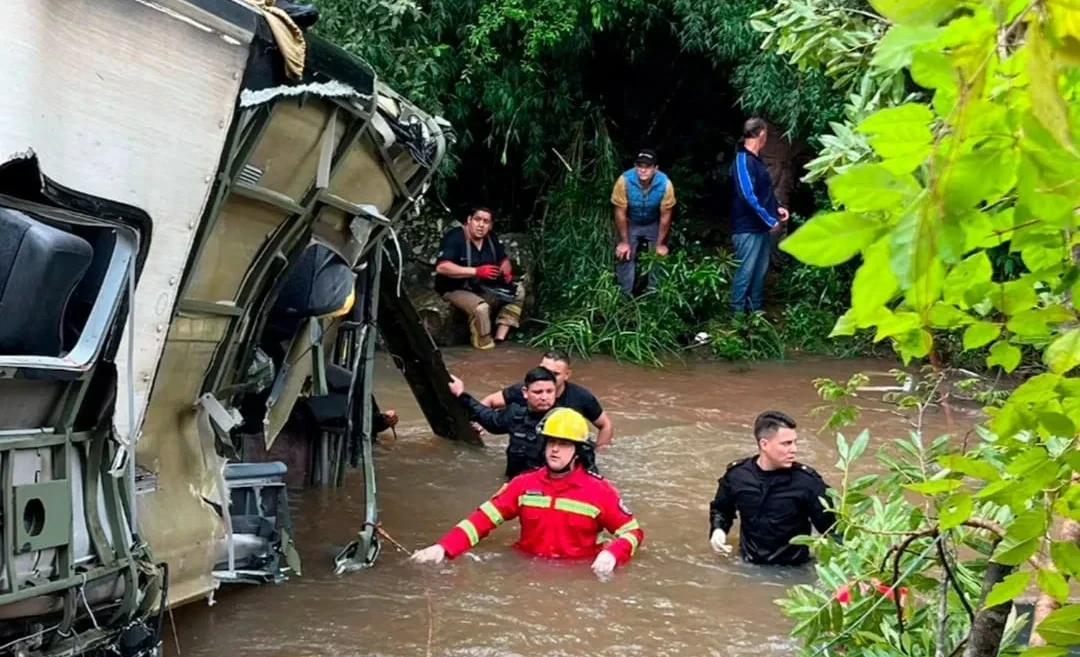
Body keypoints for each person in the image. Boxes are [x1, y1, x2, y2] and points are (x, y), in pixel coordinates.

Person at [410, 408, 643, 577]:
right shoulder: (523, 484)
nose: (554, 449)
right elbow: (481, 520)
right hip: (526, 571)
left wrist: (612, 554)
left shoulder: (600, 491)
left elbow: (633, 532)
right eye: (551, 442)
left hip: (577, 576)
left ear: (578, 451)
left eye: (563, 444)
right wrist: (443, 548)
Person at [708, 410, 836, 566]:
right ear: (764, 444)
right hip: (747, 564)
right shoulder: (737, 476)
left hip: (793, 570)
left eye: (795, 442)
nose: (794, 449)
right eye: (786, 443)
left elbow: (833, 530)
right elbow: (722, 509)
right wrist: (718, 530)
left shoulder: (807, 482)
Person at [479, 350, 615, 447]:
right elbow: (489, 402)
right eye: (544, 370)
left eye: (555, 374)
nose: (548, 376)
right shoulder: (525, 390)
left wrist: (598, 451)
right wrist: (478, 424)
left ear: (567, 375)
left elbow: (605, 425)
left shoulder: (581, 397)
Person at [434, 207, 525, 350]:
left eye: (486, 221)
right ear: (469, 220)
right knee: (481, 309)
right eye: (477, 220)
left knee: (518, 291)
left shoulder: (491, 238)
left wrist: (505, 270)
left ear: (490, 225)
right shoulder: (455, 238)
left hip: (483, 286)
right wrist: (476, 271)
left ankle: (500, 338)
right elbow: (442, 267)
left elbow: (503, 259)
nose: (481, 225)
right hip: (455, 287)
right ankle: (485, 346)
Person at [449, 367, 558, 479]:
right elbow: (489, 418)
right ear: (525, 393)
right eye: (538, 392)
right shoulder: (515, 414)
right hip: (513, 483)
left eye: (549, 391)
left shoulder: (566, 420)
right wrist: (461, 394)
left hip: (546, 486)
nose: (544, 397)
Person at [729, 118, 789, 315]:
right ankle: (737, 315)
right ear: (761, 134)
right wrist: (769, 219)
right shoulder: (742, 160)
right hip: (747, 227)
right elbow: (747, 194)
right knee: (745, 271)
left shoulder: (757, 160)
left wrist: (777, 208)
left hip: (760, 227)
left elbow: (764, 191)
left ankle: (755, 313)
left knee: (759, 272)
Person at [610, 149, 676, 295]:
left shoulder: (665, 183)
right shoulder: (624, 180)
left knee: (658, 257)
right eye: (640, 166)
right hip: (631, 221)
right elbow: (619, 211)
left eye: (648, 166)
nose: (643, 170)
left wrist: (660, 245)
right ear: (635, 166)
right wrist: (623, 241)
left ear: (655, 168)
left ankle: (654, 295)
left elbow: (666, 216)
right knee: (625, 254)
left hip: (653, 222)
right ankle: (624, 296)